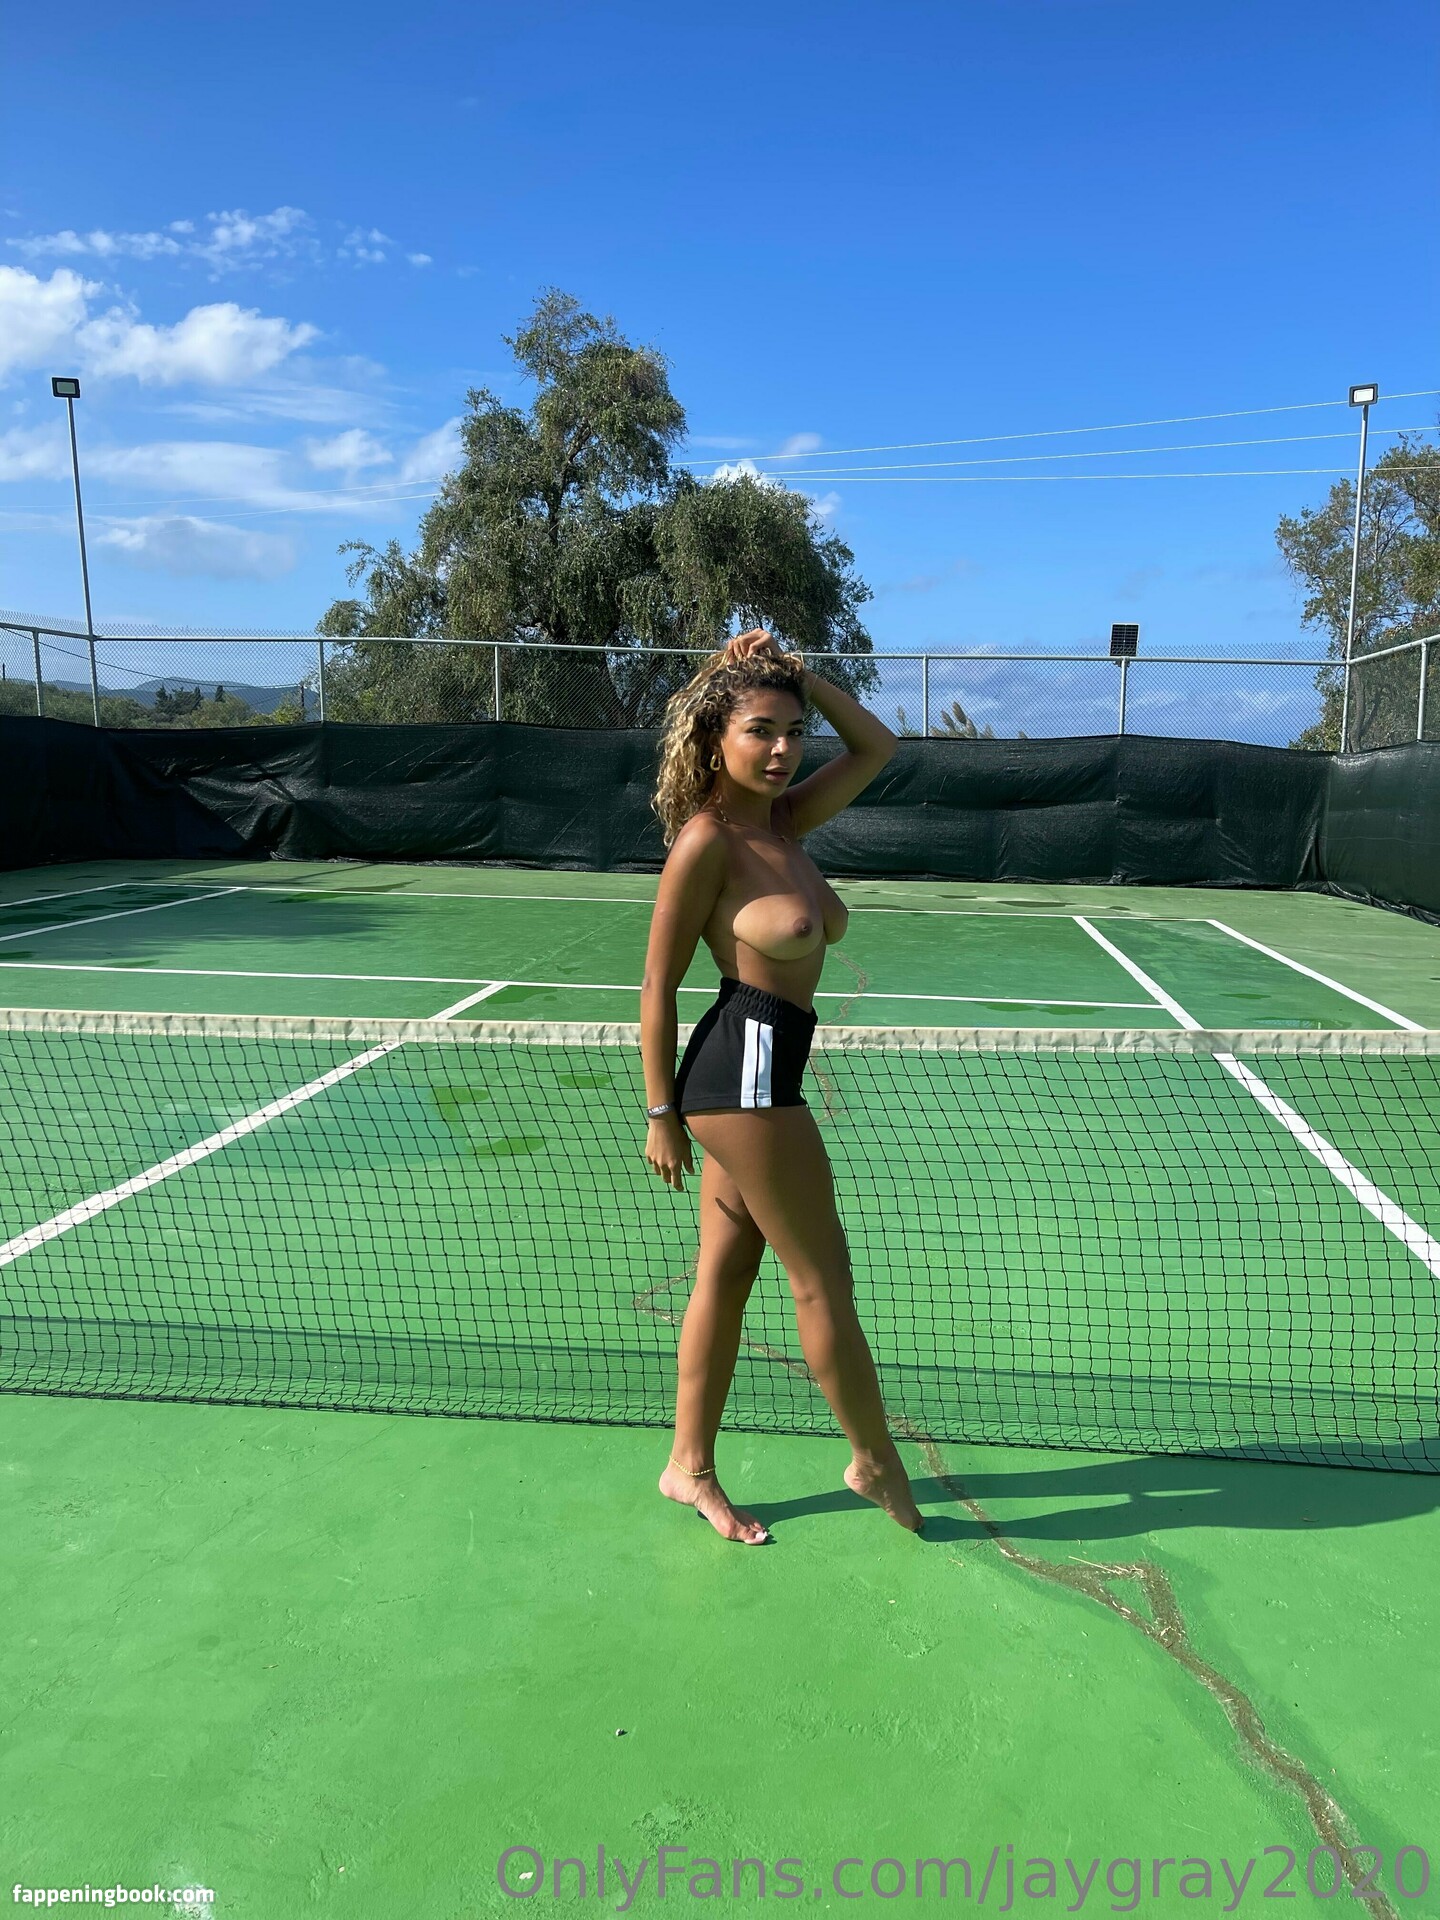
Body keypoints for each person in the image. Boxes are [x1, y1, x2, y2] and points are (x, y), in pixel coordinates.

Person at [640, 629, 924, 1544]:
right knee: (821, 1281)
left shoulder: (786, 825)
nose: (781, 749)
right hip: (744, 1082)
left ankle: (688, 1468)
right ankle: (872, 1458)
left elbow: (877, 746)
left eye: (794, 732)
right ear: (714, 738)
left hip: (762, 1072)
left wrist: (805, 676)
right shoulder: (706, 841)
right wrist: (660, 1112)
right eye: (759, 730)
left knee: (724, 1277)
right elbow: (656, 985)